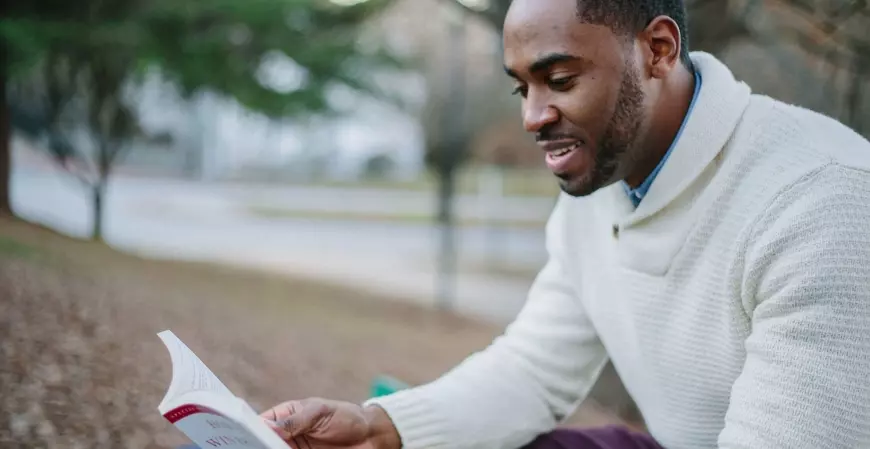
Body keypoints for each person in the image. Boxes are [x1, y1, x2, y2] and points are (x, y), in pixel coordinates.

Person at [260, 0, 870, 447]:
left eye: (559, 80)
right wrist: (377, 426)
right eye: (521, 87)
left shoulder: (819, 202)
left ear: (658, 49)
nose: (532, 116)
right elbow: (532, 371)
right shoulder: (601, 185)